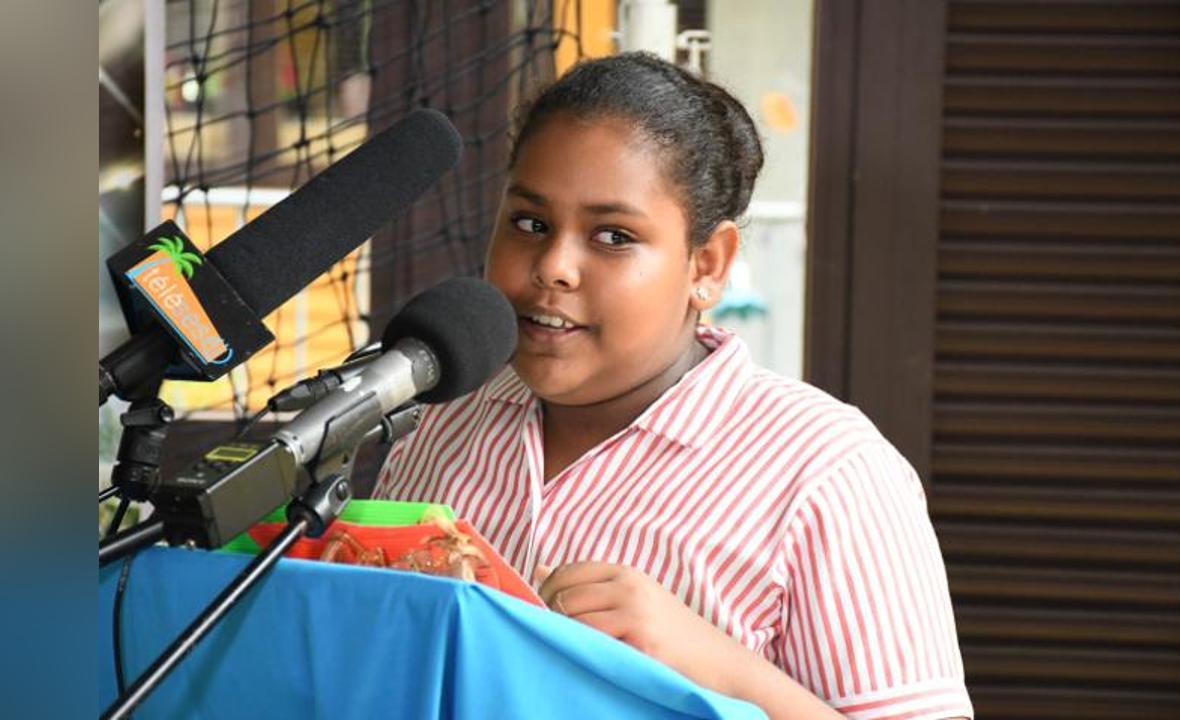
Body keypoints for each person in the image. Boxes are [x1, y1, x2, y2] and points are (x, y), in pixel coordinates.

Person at [374, 52, 973, 720]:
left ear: (706, 266)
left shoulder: (827, 474)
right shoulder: (445, 417)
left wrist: (713, 663)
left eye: (613, 236)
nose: (554, 267)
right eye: (530, 223)